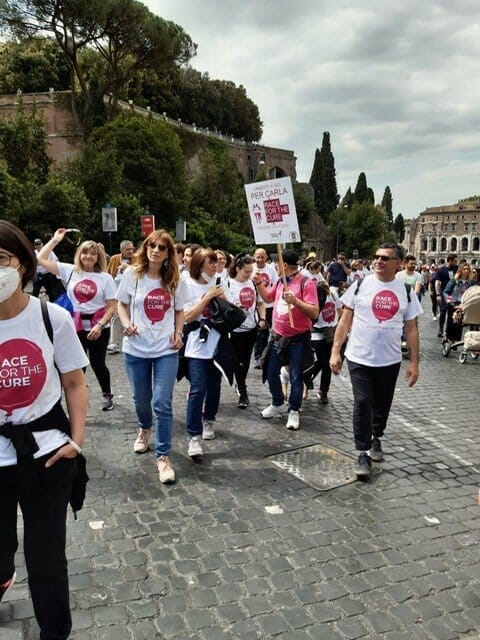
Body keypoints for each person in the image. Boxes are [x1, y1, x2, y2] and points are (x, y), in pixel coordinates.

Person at [0, 220, 88, 640]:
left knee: (47, 558)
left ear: (22, 262)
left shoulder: (52, 317)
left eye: (1, 259)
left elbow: (74, 383)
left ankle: (55, 632)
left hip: (47, 453)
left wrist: (76, 442)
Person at [330, 243, 422, 478]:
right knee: (362, 401)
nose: (379, 261)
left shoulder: (406, 292)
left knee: (382, 403)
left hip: (389, 360)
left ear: (397, 263)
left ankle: (376, 436)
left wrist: (414, 363)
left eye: (385, 258)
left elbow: (412, 329)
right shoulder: (360, 285)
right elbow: (344, 321)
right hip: (359, 357)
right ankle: (363, 452)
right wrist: (335, 351)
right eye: (376, 256)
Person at [116, 230, 187, 484]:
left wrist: (179, 332)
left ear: (168, 253)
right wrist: (126, 324)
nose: (156, 250)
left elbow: (180, 311)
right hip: (136, 349)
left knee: (162, 402)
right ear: (145, 248)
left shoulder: (175, 280)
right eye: (152, 246)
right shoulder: (131, 275)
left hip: (166, 349)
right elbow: (121, 304)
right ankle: (145, 428)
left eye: (162, 247)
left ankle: (163, 456)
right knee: (141, 399)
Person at [37, 229, 117, 411]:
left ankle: (107, 394)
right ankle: (78, 400)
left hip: (99, 326)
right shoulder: (70, 271)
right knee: (77, 365)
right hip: (75, 325)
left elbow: (112, 306)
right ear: (79, 255)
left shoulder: (105, 278)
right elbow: (40, 259)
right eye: (85, 252)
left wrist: (100, 325)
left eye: (93, 253)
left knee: (98, 363)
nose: (88, 256)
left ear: (98, 257)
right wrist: (55, 240)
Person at [254, 249, 319, 431]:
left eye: (277, 263)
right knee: (270, 370)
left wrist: (296, 301)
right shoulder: (280, 281)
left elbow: (314, 312)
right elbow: (268, 297)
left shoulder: (306, 283)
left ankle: (294, 410)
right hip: (277, 338)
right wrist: (259, 284)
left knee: (296, 377)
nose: (275, 265)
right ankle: (277, 402)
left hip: (298, 340)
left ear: (284, 265)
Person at [183, 248, 231, 457]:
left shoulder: (219, 283)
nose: (215, 265)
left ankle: (209, 419)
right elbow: (187, 317)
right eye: (210, 262)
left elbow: (231, 313)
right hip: (195, 345)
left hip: (217, 343)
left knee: (214, 386)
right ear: (199, 265)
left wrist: (223, 299)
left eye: (216, 262)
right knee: (197, 388)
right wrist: (206, 298)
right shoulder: (186, 284)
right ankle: (193, 436)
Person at [228, 254, 266, 408]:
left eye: (251, 271)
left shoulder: (252, 284)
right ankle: (243, 392)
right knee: (237, 361)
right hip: (234, 329)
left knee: (245, 361)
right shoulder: (228, 283)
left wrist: (262, 319)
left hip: (251, 328)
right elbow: (222, 305)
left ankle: (240, 383)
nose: (249, 274)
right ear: (238, 269)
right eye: (246, 271)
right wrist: (233, 307)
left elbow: (261, 304)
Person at [306, 281, 342, 404]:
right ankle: (307, 377)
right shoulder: (314, 297)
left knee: (326, 365)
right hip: (316, 332)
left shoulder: (333, 295)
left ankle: (323, 391)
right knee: (323, 361)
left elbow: (340, 311)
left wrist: (342, 325)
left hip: (330, 332)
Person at [252, 247, 278, 367]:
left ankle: (266, 356)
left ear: (266, 257)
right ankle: (258, 357)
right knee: (260, 333)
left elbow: (275, 284)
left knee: (268, 332)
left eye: (262, 257)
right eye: (258, 257)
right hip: (255, 305)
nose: (260, 259)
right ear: (254, 257)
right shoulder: (251, 268)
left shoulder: (271, 269)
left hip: (269, 305)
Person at [107, 240, 135, 353]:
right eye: (128, 249)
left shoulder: (137, 259)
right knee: (116, 317)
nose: (130, 251)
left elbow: (139, 273)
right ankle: (113, 342)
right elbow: (109, 274)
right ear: (121, 250)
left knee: (131, 317)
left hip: (132, 293)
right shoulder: (114, 259)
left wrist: (128, 267)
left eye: (132, 249)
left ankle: (130, 340)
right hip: (117, 293)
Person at [443, 263, 477, 345]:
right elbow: (446, 292)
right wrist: (450, 302)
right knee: (451, 323)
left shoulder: (471, 282)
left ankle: (455, 341)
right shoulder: (454, 281)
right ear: (460, 270)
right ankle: (448, 338)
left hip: (464, 304)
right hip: (453, 304)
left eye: (467, 269)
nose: (466, 271)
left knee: (459, 324)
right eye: (464, 269)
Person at [434, 254, 458, 337]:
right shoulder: (441, 270)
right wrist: (437, 294)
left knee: (452, 314)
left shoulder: (456, 268)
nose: (456, 263)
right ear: (450, 260)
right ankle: (440, 329)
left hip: (454, 294)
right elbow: (437, 282)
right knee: (443, 312)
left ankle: (449, 331)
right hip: (444, 294)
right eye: (455, 261)